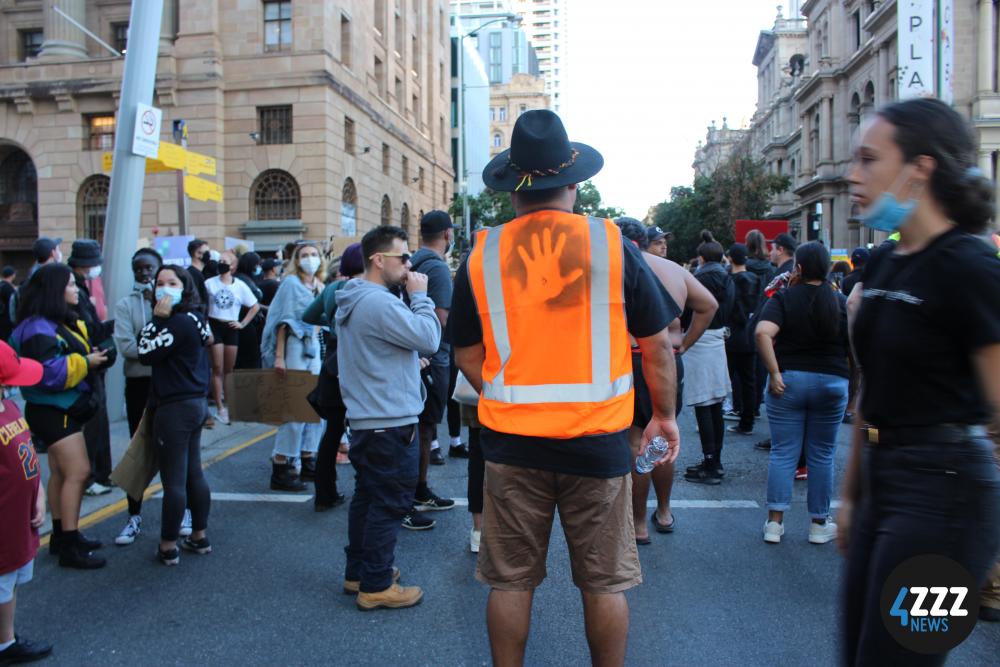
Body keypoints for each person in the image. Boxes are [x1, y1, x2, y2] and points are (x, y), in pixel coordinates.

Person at [451, 110, 681, 666]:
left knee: (510, 582)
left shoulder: (480, 254)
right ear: (574, 185)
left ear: (511, 192)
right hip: (598, 442)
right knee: (605, 583)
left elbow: (465, 352)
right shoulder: (611, 243)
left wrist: (503, 393)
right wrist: (664, 417)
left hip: (511, 446)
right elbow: (656, 343)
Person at [840, 97, 1000, 665]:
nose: (852, 174)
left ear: (920, 169)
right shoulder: (883, 263)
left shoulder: (971, 266)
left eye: (868, 159)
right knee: (861, 651)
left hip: (952, 497)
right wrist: (852, 495)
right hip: (886, 481)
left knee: (903, 656)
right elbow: (872, 394)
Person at [336, 225, 441, 610]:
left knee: (368, 498)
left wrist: (409, 360)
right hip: (389, 421)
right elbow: (430, 337)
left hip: (369, 418)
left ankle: (359, 571)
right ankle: (376, 584)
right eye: (403, 257)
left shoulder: (356, 297)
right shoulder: (380, 302)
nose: (410, 265)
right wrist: (421, 299)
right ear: (379, 260)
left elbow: (379, 351)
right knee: (390, 504)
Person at [616, 217, 717, 542]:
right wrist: (684, 342)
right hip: (669, 359)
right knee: (661, 440)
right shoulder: (673, 270)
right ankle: (663, 510)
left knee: (637, 441)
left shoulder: (621, 269)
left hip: (631, 358)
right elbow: (709, 305)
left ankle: (638, 523)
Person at [11, 263, 108, 569]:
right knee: (78, 472)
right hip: (55, 410)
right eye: (69, 285)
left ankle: (64, 536)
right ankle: (68, 544)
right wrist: (87, 361)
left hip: (57, 409)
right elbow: (47, 373)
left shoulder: (48, 322)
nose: (75, 289)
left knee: (63, 473)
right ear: (54, 291)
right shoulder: (38, 327)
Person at [754, 242, 849, 545]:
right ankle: (819, 524)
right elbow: (854, 349)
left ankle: (774, 523)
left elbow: (762, 333)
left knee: (784, 452)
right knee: (823, 454)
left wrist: (774, 371)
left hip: (790, 381)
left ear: (799, 267)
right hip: (833, 382)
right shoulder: (840, 301)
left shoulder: (784, 297)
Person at [112, 247, 193, 546]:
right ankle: (133, 515)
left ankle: (182, 511)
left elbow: (192, 344)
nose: (146, 276)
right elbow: (128, 348)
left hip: (172, 388)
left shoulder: (181, 308)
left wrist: (153, 350)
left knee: (176, 452)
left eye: (152, 271)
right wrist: (160, 350)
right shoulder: (126, 305)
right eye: (140, 269)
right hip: (140, 386)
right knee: (140, 448)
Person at [138, 265, 214, 566]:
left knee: (174, 480)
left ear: (184, 288)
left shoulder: (176, 323)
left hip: (175, 408)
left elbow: (145, 352)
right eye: (160, 282)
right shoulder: (196, 318)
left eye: (172, 282)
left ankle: (168, 544)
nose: (164, 288)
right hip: (195, 403)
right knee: (193, 472)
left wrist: (156, 320)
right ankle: (199, 535)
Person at [0, 340, 52, 665]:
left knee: (13, 580)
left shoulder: (9, 408)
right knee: (3, 583)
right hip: (3, 523)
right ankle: (5, 645)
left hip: (19, 517)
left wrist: (40, 494)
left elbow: (27, 454)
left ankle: (7, 637)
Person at [302, 242, 364, 511]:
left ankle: (324, 493)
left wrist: (331, 323)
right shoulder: (365, 291)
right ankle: (366, 491)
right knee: (363, 430)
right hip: (356, 365)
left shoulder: (331, 289)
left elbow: (307, 315)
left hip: (333, 364)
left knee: (332, 433)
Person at [405, 210, 457, 527]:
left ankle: (417, 489)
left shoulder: (414, 261)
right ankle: (416, 492)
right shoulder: (436, 268)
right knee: (424, 429)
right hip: (432, 357)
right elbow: (441, 317)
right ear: (448, 235)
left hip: (418, 356)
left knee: (421, 428)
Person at [260, 242, 325, 491]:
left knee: (314, 409)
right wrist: (279, 357)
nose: (310, 259)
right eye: (305, 255)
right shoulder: (290, 284)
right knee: (296, 410)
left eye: (314, 254)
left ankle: (308, 458)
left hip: (314, 349)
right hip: (294, 349)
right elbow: (283, 322)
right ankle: (281, 465)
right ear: (296, 260)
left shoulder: (319, 286)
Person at [683, 231, 734, 485]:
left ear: (701, 257)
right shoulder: (727, 277)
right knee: (715, 404)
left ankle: (710, 462)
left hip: (700, 339)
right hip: (718, 339)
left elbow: (685, 309)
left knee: (704, 403)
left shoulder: (700, 278)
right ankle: (715, 460)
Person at [66, 240, 116, 497]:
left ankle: (101, 474)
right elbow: (87, 325)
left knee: (98, 422)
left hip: (91, 361)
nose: (73, 288)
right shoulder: (74, 293)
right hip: (86, 364)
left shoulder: (83, 288)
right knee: (93, 423)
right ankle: (92, 476)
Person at [204, 250, 260, 424]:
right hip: (214, 325)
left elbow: (254, 306)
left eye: (225, 261)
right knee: (217, 367)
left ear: (233, 266)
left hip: (231, 326)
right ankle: (220, 408)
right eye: (220, 260)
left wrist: (242, 323)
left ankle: (230, 405)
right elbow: (203, 306)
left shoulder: (240, 285)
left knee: (229, 369)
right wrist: (206, 327)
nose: (221, 263)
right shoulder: (209, 284)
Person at [725, 243, 760, 436]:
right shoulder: (755, 278)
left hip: (732, 335)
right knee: (749, 381)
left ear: (730, 258)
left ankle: (715, 416)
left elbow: (730, 307)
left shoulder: (730, 280)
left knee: (725, 379)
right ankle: (748, 421)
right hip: (751, 334)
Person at [233, 252, 266, 370]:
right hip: (246, 323)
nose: (259, 268)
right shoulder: (241, 280)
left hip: (251, 323)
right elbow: (250, 303)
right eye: (257, 264)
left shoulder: (248, 279)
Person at [0, 266, 17, 342]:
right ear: (13, 275)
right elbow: (13, 304)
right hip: (6, 320)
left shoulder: (1, 285)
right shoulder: (9, 288)